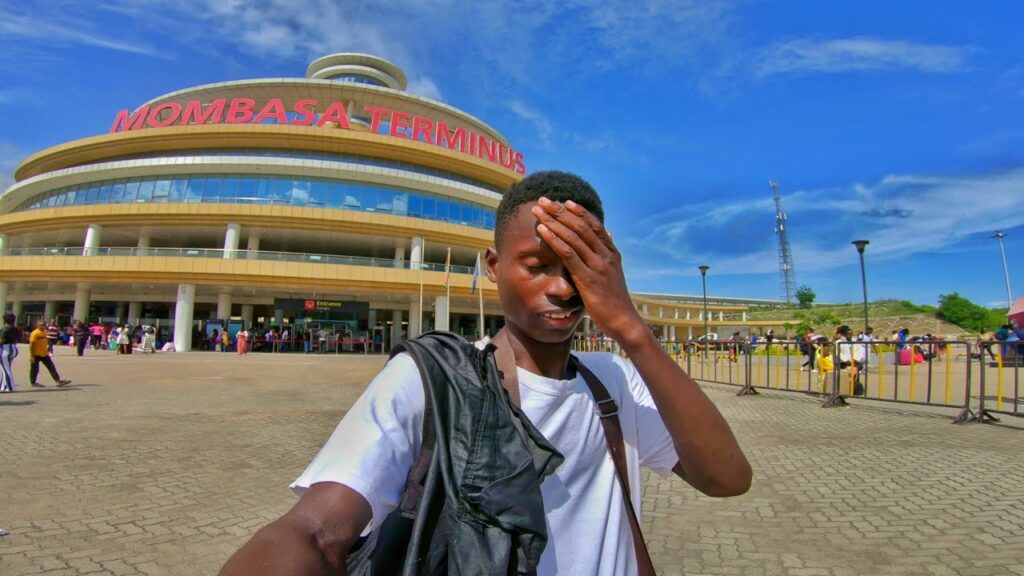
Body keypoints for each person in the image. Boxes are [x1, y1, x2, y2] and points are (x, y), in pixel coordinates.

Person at [220, 171, 752, 575]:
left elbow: (726, 479)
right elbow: (315, 532)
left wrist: (632, 330)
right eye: (538, 265)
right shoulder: (433, 379)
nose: (564, 288)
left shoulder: (612, 379)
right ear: (494, 266)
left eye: (579, 269)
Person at [28, 321, 70, 388]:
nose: (43, 326)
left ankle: (58, 380)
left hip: (44, 354)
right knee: (35, 369)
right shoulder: (35, 333)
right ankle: (33, 382)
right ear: (37, 326)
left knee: (51, 367)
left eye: (44, 325)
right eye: (41, 325)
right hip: (36, 354)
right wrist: (31, 355)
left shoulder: (44, 332)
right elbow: (31, 345)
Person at [1, 313, 21, 393]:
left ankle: (9, 387)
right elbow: (16, 341)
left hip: (5, 349)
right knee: (6, 368)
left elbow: (1, 340)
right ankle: (4, 386)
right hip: (13, 348)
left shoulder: (5, 328)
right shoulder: (15, 329)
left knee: (5, 369)